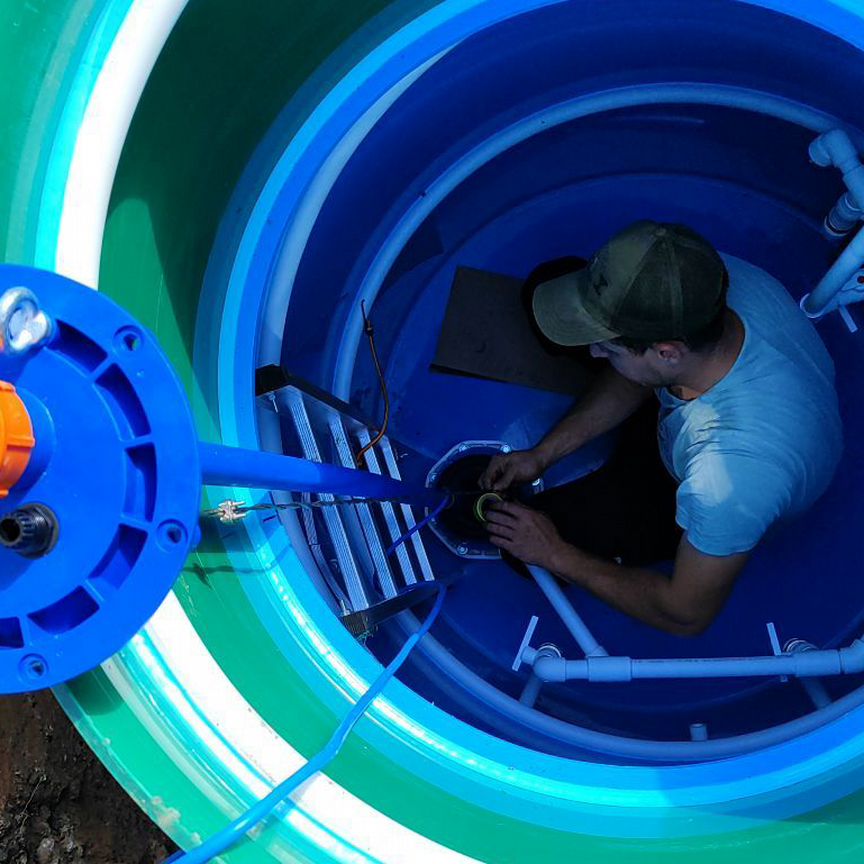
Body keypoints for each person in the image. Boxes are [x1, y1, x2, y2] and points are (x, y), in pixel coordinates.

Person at [479, 220, 842, 636]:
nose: (593, 352)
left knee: (522, 545)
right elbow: (643, 374)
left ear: (668, 352)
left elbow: (685, 614)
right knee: (549, 283)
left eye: (606, 347)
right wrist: (543, 454)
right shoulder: (700, 279)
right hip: (692, 406)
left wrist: (554, 554)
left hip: (699, 481)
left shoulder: (727, 483)